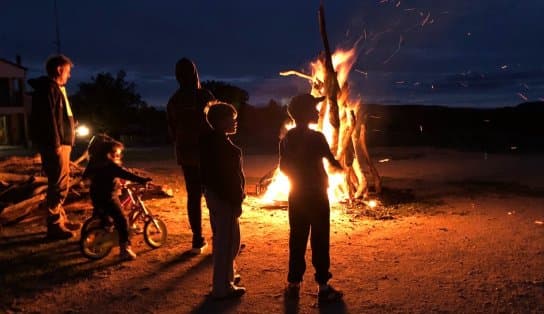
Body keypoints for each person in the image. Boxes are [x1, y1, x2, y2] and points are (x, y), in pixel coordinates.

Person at [279, 94, 344, 305]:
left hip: (296, 195)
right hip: (317, 196)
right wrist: (338, 165)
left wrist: (298, 176)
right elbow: (332, 162)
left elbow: (283, 168)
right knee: (320, 238)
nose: (318, 112)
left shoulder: (286, 139)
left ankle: (293, 283)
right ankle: (323, 287)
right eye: (314, 109)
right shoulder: (317, 137)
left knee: (297, 238)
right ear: (306, 113)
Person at [28, 54, 80, 240]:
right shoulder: (48, 90)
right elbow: (49, 120)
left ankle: (60, 220)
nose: (69, 75)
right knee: (58, 185)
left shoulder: (56, 89)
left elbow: (60, 115)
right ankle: (54, 226)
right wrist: (55, 144)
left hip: (62, 143)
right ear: (59, 69)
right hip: (56, 145)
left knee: (61, 182)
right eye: (68, 71)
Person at [166, 58, 215, 253]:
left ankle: (197, 239)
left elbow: (172, 131)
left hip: (186, 155)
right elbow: (215, 121)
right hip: (206, 153)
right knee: (214, 194)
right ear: (195, 73)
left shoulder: (174, 101)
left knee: (193, 196)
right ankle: (220, 236)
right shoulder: (204, 95)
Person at [200, 102, 246, 299]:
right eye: (231, 119)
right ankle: (222, 287)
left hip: (215, 197)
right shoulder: (224, 148)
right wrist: (236, 201)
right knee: (227, 243)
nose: (235, 123)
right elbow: (229, 179)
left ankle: (227, 277)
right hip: (225, 199)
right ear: (220, 121)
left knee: (227, 240)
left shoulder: (209, 142)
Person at [82, 139, 151, 260]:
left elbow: (86, 176)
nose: (119, 155)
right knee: (123, 220)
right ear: (110, 153)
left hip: (96, 195)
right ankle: (125, 249)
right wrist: (142, 180)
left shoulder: (94, 162)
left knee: (104, 217)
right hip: (109, 197)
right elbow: (126, 174)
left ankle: (101, 232)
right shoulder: (111, 165)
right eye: (118, 153)